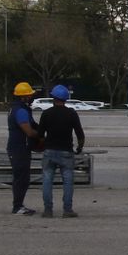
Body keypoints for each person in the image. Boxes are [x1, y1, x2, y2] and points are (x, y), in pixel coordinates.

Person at [37, 84, 86, 218]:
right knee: (68, 182)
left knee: (47, 181)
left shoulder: (46, 114)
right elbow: (80, 134)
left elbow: (40, 135)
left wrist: (42, 146)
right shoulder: (71, 114)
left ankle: (48, 210)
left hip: (49, 151)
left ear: (53, 98)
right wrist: (79, 147)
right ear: (66, 99)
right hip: (66, 152)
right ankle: (67, 209)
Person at [5, 82, 40, 215]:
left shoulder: (16, 109)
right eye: (29, 95)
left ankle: (18, 205)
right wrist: (41, 137)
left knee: (21, 178)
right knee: (22, 179)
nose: (31, 98)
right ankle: (18, 207)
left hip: (18, 148)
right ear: (23, 97)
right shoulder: (21, 111)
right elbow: (29, 132)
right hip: (19, 149)